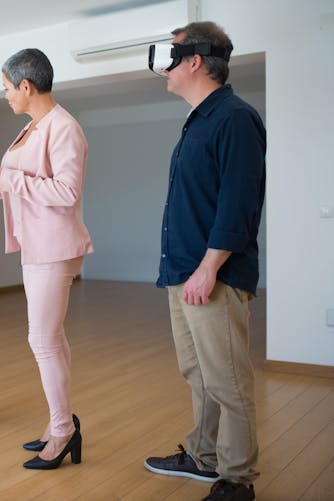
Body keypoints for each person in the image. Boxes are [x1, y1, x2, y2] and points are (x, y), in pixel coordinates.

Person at [143, 22, 266, 501]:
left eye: (170, 56)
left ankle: (236, 479)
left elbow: (238, 203)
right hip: (184, 271)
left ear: (195, 60)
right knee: (199, 374)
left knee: (228, 378)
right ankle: (204, 455)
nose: (163, 68)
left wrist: (209, 267)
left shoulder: (235, 117)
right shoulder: (199, 119)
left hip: (210, 274)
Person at [0, 48, 94, 470]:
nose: (5, 95)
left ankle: (63, 431)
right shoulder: (33, 127)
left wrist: (8, 179)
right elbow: (26, 183)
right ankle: (59, 422)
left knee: (42, 341)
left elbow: (65, 192)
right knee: (51, 339)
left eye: (7, 88)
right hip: (37, 245)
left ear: (26, 86)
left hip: (54, 248)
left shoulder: (63, 128)